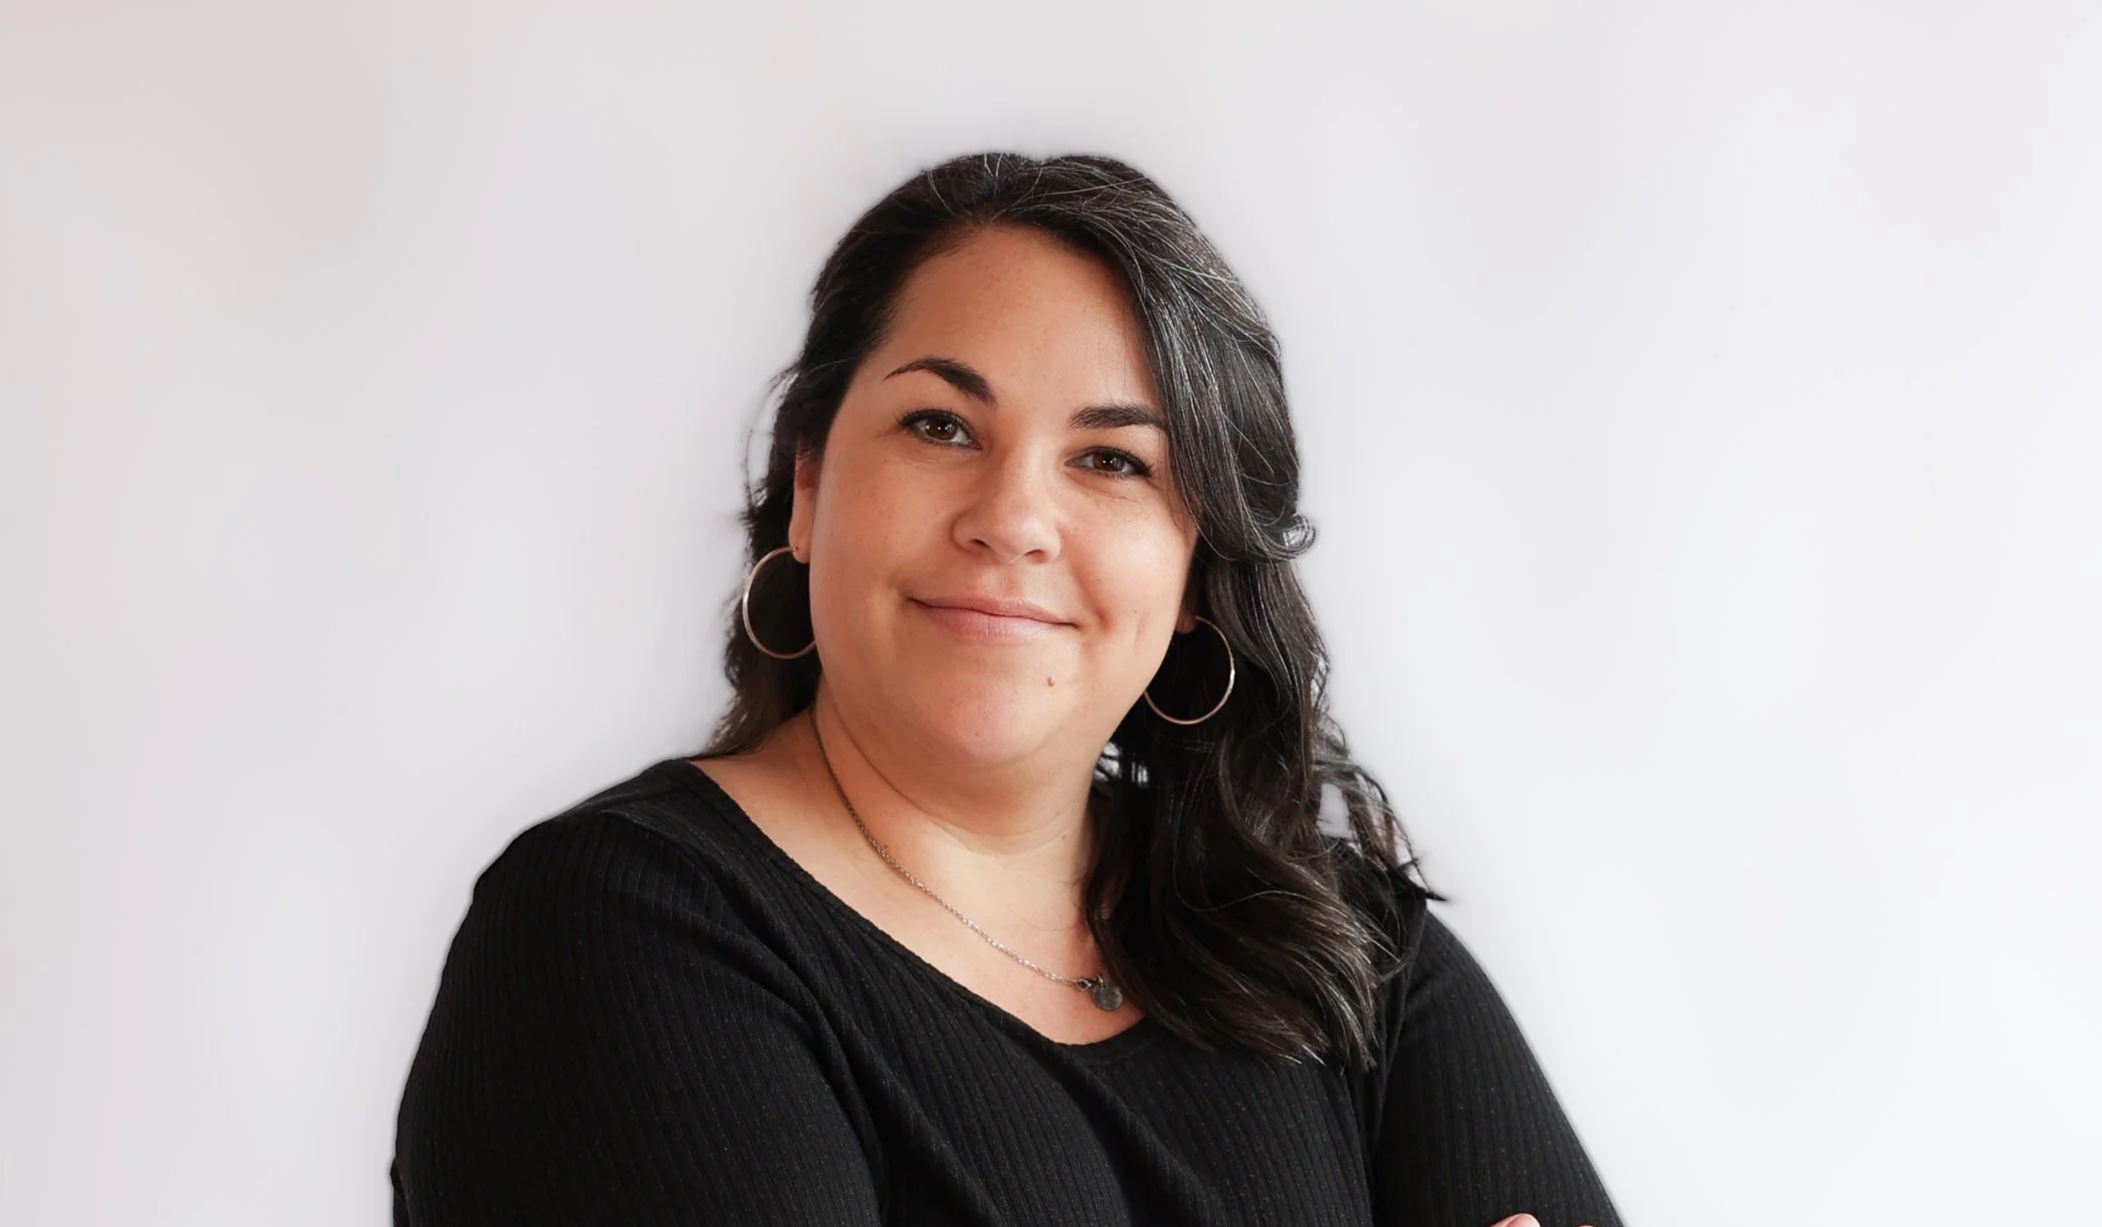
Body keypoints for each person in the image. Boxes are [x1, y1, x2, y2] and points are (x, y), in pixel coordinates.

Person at [390, 151, 1624, 1227]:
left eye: (1109, 459)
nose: (1013, 520)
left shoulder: (1342, 951)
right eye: (940, 426)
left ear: (1195, 572)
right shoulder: (613, 935)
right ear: (810, 485)